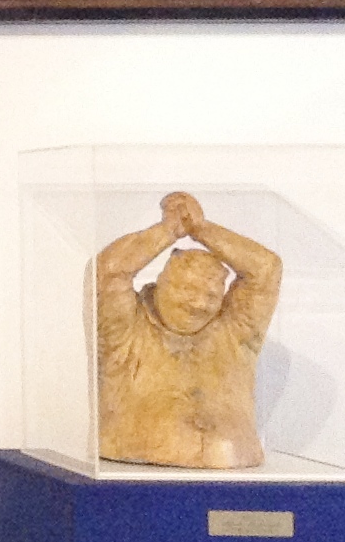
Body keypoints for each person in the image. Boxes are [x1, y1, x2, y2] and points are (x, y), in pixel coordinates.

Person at [93, 190, 282, 470]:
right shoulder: (126, 331)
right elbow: (108, 270)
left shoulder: (233, 331)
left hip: (235, 465)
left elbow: (266, 270)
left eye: (211, 296)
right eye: (188, 289)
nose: (199, 304)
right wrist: (169, 230)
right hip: (137, 461)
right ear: (160, 283)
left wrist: (201, 228)